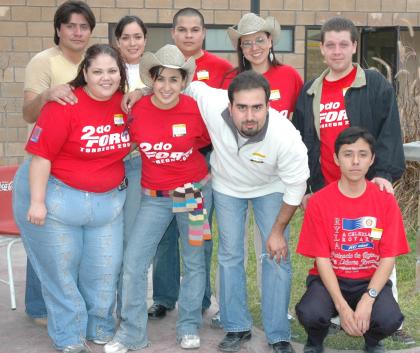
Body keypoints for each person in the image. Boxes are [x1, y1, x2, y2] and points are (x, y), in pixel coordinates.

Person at [292, 16, 410, 343]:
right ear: (322, 48)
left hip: (367, 186)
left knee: (375, 248)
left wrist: (384, 174)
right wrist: (307, 187)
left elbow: (388, 132)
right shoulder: (311, 91)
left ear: (355, 47)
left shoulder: (374, 85)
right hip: (328, 190)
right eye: (330, 44)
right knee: (333, 251)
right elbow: (304, 142)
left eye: (344, 44)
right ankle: (333, 308)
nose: (337, 51)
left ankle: (386, 318)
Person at [13, 44, 130, 353]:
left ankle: (100, 327)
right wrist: (37, 202)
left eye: (112, 71)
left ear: (122, 73)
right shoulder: (64, 103)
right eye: (97, 71)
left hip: (107, 204)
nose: (106, 78)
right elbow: (40, 157)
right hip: (57, 200)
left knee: (105, 271)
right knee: (61, 273)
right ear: (85, 74)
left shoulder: (128, 104)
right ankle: (69, 336)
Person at [183, 71, 309, 353]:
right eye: (241, 107)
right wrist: (142, 92)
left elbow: (296, 186)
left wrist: (277, 232)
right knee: (230, 255)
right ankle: (236, 326)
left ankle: (278, 334)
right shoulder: (210, 101)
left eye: (257, 107)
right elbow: (185, 84)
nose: (249, 115)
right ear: (229, 107)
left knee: (276, 256)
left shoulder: (286, 137)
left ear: (268, 106)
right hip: (227, 186)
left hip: (271, 187)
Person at [104, 44, 212, 353]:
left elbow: (207, 141)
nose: (166, 86)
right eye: (160, 79)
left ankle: (189, 325)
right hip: (154, 198)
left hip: (190, 195)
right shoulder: (137, 109)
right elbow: (122, 143)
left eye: (174, 80)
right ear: (151, 79)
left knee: (193, 262)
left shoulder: (195, 109)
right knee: (134, 262)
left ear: (183, 82)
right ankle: (132, 333)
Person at [146, 7, 233, 321]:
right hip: (165, 163)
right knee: (166, 232)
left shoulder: (221, 68)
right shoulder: (159, 67)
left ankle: (199, 298)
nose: (188, 35)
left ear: (204, 32)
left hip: (201, 162)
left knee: (197, 233)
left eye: (194, 30)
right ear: (173, 32)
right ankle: (164, 297)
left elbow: (229, 116)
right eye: (182, 30)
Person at [295, 126, 409, 353]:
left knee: (390, 318)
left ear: (372, 159)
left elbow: (388, 258)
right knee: (310, 312)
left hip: (368, 280)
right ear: (336, 158)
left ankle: (372, 341)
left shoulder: (385, 202)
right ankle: (315, 341)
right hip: (330, 278)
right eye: (348, 154)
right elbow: (322, 259)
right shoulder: (319, 202)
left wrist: (369, 299)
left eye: (362, 154)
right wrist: (342, 307)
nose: (355, 161)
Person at [21, 0, 96, 326]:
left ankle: (68, 302)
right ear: (58, 29)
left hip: (80, 167)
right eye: (71, 26)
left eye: (84, 26)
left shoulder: (94, 62)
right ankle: (38, 307)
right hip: (47, 165)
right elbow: (28, 112)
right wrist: (47, 95)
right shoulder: (44, 62)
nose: (78, 32)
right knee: (45, 239)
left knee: (70, 243)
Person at [113, 15, 147, 317]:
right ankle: (104, 305)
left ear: (145, 40)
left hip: (139, 164)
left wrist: (144, 91)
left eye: (137, 36)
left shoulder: (152, 73)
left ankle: (128, 306)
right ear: (117, 41)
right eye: (126, 37)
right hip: (109, 162)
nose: (132, 43)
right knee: (108, 238)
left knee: (131, 237)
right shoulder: (109, 70)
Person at [222, 13, 303, 120]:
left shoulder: (290, 75)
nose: (254, 47)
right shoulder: (230, 80)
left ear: (270, 41)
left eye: (260, 40)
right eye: (247, 43)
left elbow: (303, 117)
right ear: (241, 48)